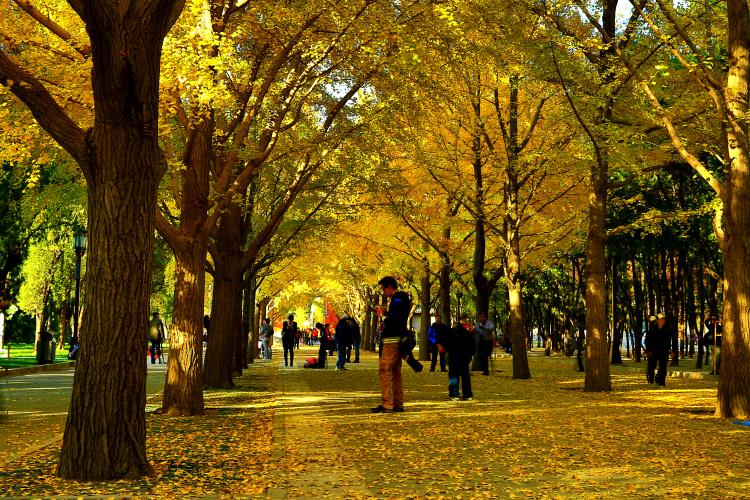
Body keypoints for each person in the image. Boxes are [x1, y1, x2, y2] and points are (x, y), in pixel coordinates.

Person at [371, 276, 417, 413]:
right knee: (396, 373)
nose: (383, 292)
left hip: (391, 341)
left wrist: (382, 315)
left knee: (384, 370)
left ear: (389, 286)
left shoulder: (396, 300)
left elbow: (393, 321)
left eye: (383, 289)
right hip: (400, 339)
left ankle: (387, 403)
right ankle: (398, 403)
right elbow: (398, 317)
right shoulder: (403, 299)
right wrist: (386, 312)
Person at [437, 323, 475, 401]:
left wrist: (447, 350)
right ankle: (467, 394)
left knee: (454, 375)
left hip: (454, 356)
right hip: (464, 356)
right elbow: (473, 347)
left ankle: (455, 394)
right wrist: (469, 356)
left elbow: (442, 346)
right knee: (465, 375)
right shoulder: (467, 334)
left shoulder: (449, 334)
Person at [645, 313, 672, 386]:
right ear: (658, 320)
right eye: (661, 319)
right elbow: (647, 342)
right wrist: (649, 351)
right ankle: (651, 379)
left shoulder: (667, 329)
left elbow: (668, 341)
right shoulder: (652, 330)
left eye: (664, 319)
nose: (663, 321)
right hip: (653, 351)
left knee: (663, 367)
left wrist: (670, 350)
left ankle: (661, 382)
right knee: (651, 366)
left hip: (663, 351)